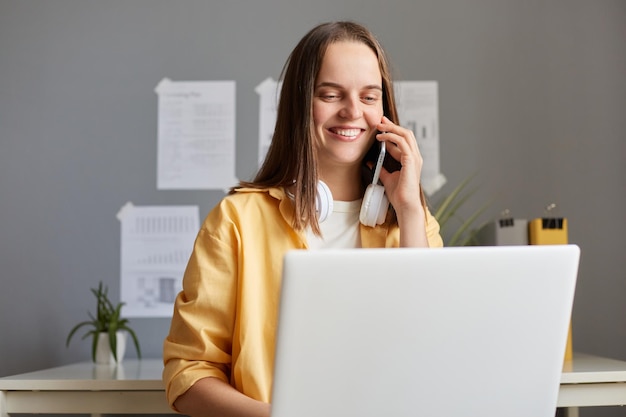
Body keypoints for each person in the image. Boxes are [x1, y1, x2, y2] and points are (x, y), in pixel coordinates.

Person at [163, 21, 444, 417]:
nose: (352, 112)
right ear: (300, 105)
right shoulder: (236, 221)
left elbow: (434, 351)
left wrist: (411, 208)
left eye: (369, 96)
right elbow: (188, 374)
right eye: (331, 94)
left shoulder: (412, 222)